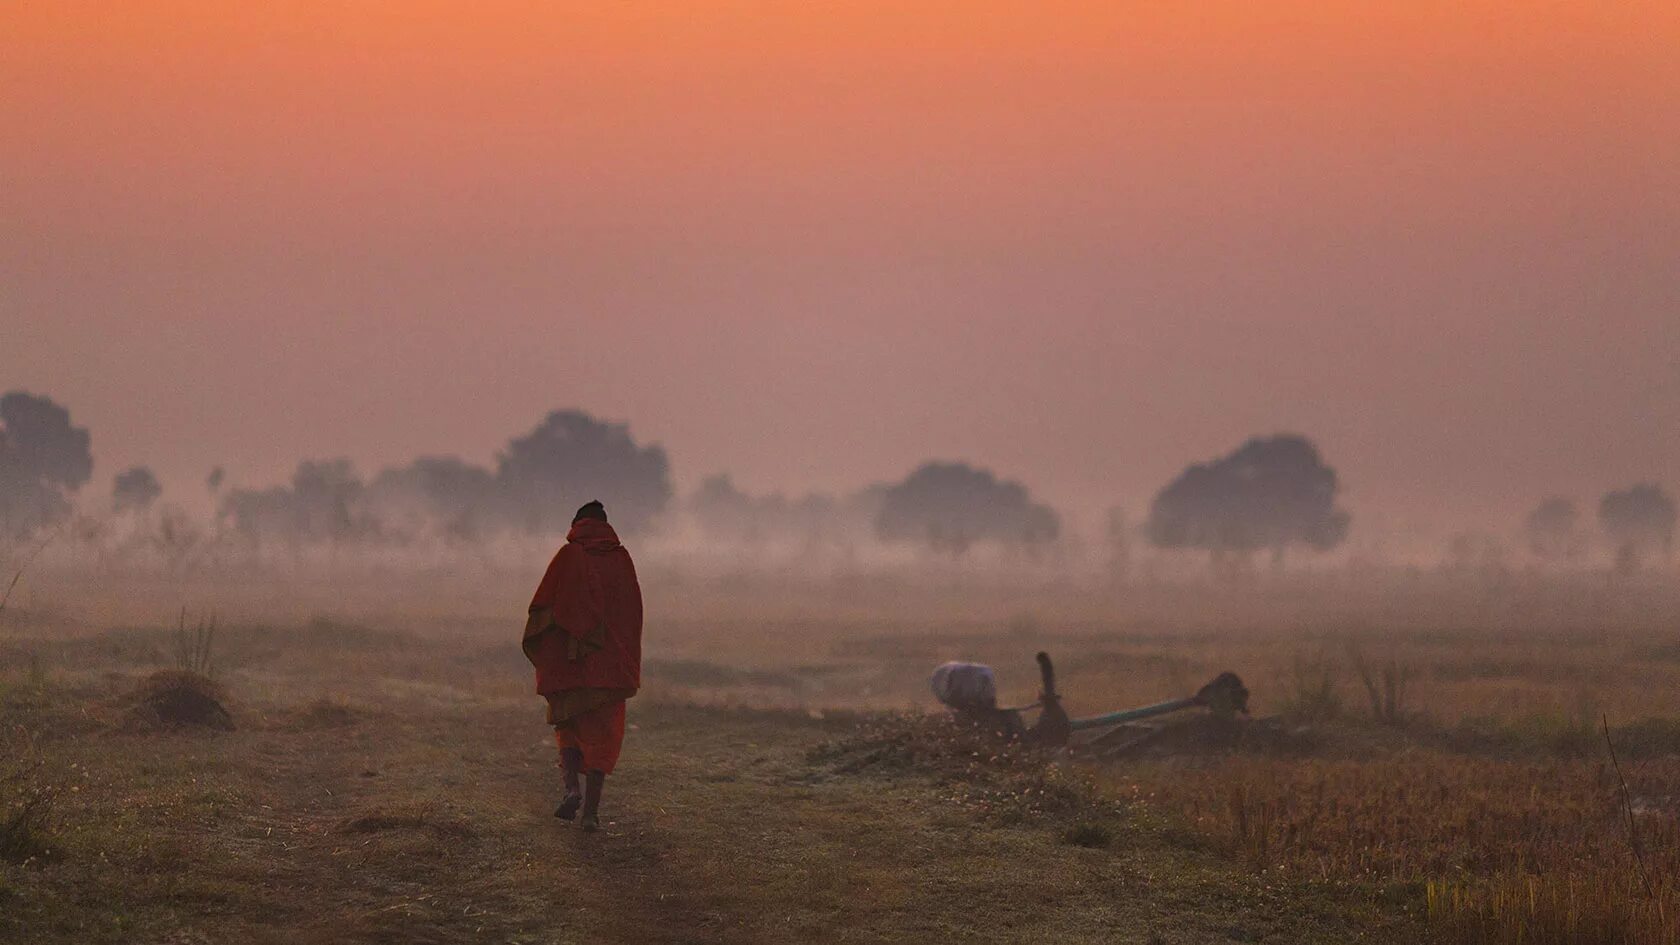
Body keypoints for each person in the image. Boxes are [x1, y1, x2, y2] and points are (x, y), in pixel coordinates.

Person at [522, 500, 643, 832]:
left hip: (571, 667)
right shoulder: (622, 560)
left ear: (577, 524)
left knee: (569, 729)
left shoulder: (568, 556)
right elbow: (632, 615)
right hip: (610, 668)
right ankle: (590, 813)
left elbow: (543, 607)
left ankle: (571, 789)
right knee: (602, 739)